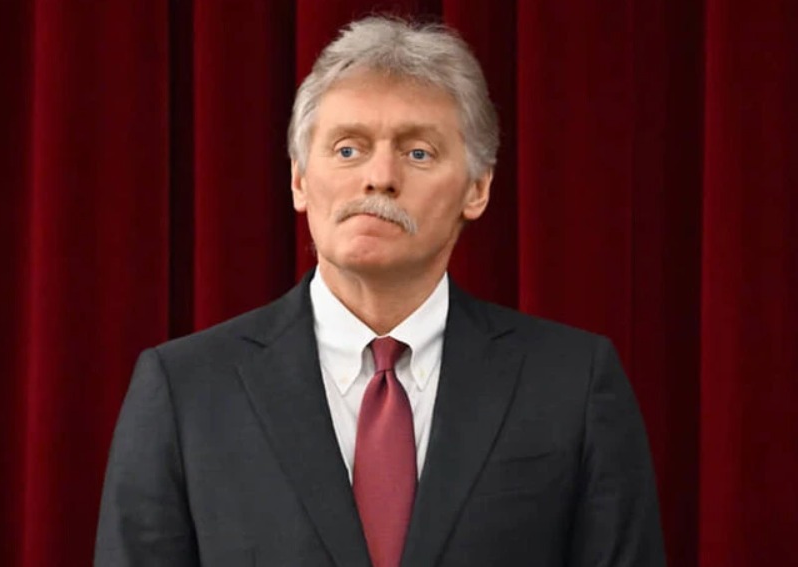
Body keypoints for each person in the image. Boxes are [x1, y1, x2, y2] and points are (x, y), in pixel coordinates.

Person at [95, 16, 665, 567]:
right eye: (348, 149)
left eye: (418, 153)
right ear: (299, 179)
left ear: (477, 189)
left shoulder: (572, 383)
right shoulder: (186, 391)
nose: (380, 177)